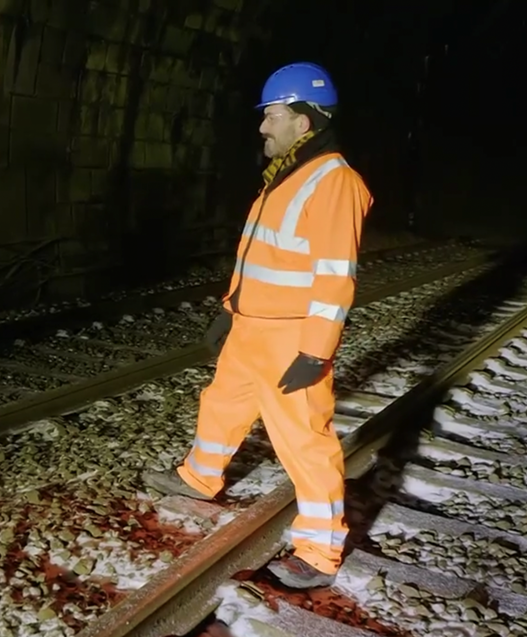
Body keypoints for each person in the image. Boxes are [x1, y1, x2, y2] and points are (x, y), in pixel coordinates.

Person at [143, 62, 372, 588]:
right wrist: (230, 309)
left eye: (272, 115)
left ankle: (318, 550)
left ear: (303, 122)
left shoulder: (335, 181)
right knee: (222, 403)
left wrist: (315, 351)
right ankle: (200, 477)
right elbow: (258, 258)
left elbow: (335, 276)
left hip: (291, 334)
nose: (263, 126)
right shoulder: (286, 176)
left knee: (304, 439)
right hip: (252, 327)